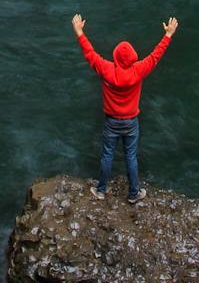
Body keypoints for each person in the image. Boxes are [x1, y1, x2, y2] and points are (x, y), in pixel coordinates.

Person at [72, 12, 178, 205]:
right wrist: (168, 34)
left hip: (111, 121)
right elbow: (155, 56)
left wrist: (79, 32)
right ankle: (133, 193)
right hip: (130, 121)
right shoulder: (138, 70)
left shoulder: (106, 69)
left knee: (107, 155)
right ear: (133, 57)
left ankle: (101, 190)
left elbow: (90, 54)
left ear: (115, 57)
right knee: (130, 156)